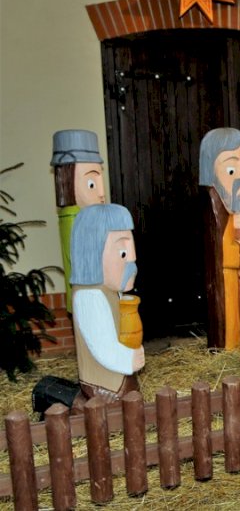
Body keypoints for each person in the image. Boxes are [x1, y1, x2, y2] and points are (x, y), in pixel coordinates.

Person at [70, 203, 144, 405]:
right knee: (127, 409)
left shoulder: (109, 290)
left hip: (117, 377)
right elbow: (101, 344)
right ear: (92, 252)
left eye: (131, 250)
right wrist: (128, 359)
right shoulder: (90, 297)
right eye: (123, 253)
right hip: (104, 384)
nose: (132, 259)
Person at [199, 127, 240, 350]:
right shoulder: (215, 207)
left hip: (238, 277)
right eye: (231, 170)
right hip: (225, 279)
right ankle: (229, 348)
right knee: (230, 316)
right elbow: (220, 253)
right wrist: (238, 248)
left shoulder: (234, 207)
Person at [50, 129, 107, 313]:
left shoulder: (88, 216)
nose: (102, 193)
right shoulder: (74, 218)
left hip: (95, 298)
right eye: (92, 184)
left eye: (100, 182)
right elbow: (86, 264)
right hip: (87, 301)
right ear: (66, 179)